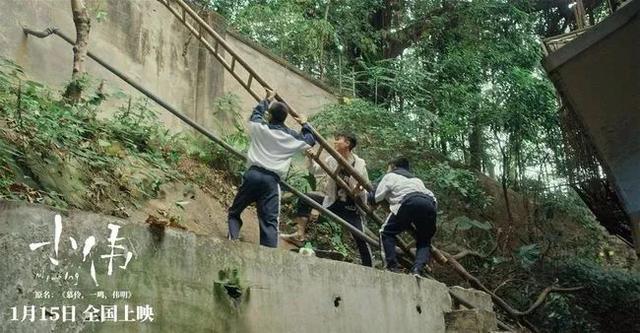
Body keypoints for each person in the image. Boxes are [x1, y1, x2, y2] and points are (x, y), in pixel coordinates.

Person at [227, 89, 316, 248]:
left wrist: (267, 99)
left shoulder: (259, 128)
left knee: (235, 212)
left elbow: (255, 115)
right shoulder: (290, 138)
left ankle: (232, 240)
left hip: (252, 175)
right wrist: (304, 123)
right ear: (285, 118)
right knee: (269, 222)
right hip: (271, 182)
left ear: (269, 115)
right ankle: (267, 255)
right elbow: (309, 140)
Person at [281, 131, 373, 267]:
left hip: (351, 208)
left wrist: (358, 190)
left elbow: (364, 188)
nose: (335, 142)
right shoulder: (332, 159)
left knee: (361, 238)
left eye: (338, 139)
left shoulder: (359, 164)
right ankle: (299, 235)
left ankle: (369, 266)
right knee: (306, 198)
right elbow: (315, 170)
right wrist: (311, 158)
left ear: (347, 143)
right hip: (333, 202)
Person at [369, 156, 437, 276]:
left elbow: (375, 198)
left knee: (386, 232)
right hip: (430, 204)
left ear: (393, 166)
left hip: (409, 202)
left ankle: (391, 267)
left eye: (388, 167)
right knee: (424, 240)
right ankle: (417, 269)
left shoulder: (390, 176)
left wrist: (370, 196)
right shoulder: (417, 180)